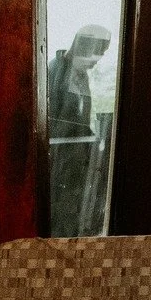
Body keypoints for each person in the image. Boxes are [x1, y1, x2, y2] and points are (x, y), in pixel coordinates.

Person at [46, 24, 112, 236]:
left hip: (78, 165)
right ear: (83, 47)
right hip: (59, 164)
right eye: (95, 54)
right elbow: (54, 123)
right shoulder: (55, 72)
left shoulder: (83, 77)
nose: (96, 61)